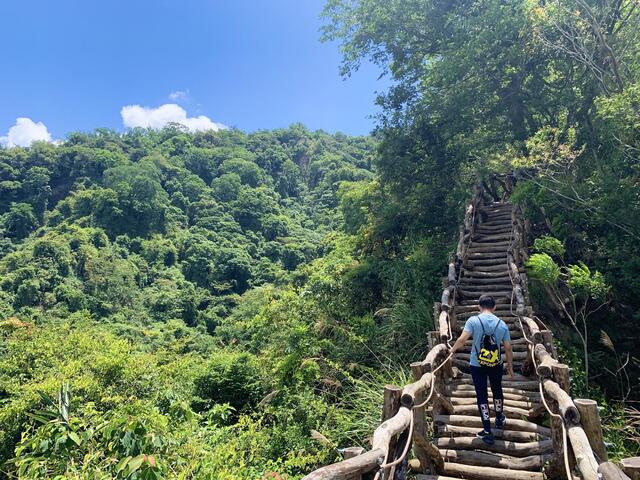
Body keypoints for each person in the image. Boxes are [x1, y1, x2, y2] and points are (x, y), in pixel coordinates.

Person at [449, 294, 514, 445]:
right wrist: (510, 367)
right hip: (496, 364)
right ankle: (499, 418)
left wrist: (451, 350)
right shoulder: (502, 324)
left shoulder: (473, 320)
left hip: (477, 365)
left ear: (479, 306)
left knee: (482, 395)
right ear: (495, 307)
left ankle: (487, 431)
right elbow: (508, 348)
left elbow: (462, 339)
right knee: (497, 390)